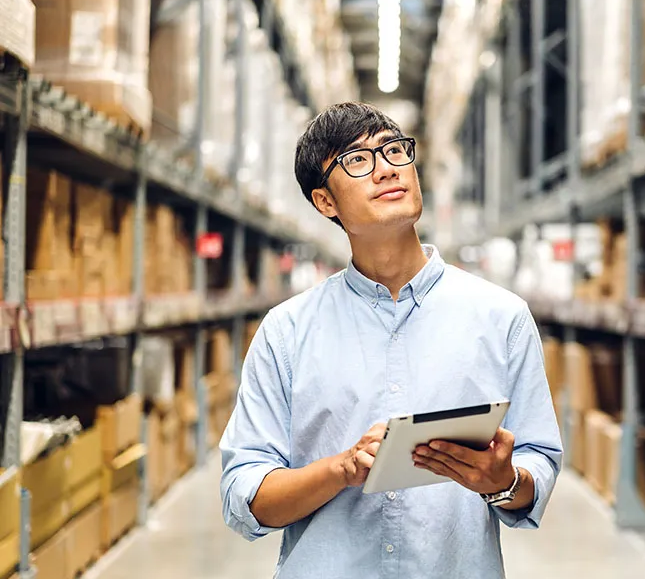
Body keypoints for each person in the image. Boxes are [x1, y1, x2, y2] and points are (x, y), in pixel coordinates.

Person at [219, 102, 562, 578]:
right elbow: (246, 497)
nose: (385, 170)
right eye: (357, 160)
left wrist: (503, 482)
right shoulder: (286, 332)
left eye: (394, 151)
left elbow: (538, 462)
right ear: (325, 202)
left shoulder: (501, 317)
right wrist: (342, 470)